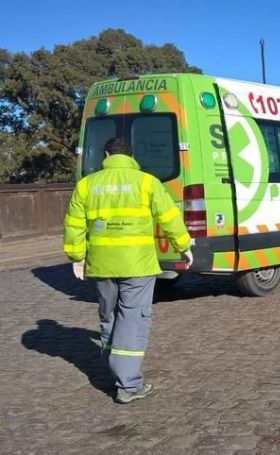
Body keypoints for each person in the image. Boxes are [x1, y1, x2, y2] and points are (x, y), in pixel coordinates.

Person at [62, 137, 192, 404]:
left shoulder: (87, 185)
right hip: (138, 265)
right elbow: (169, 217)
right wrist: (182, 246)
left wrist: (77, 256)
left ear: (106, 154)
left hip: (102, 264)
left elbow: (74, 225)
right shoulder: (147, 182)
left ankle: (114, 371)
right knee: (133, 317)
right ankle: (128, 385)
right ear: (131, 156)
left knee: (109, 315)